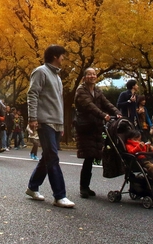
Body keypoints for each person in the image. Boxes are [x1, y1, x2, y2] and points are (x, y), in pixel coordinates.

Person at [25, 45, 74, 208]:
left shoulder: (58, 77)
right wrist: (32, 118)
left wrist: (61, 125)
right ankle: (60, 195)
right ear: (55, 56)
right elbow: (32, 94)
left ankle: (32, 187)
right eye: (62, 56)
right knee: (52, 156)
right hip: (44, 121)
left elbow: (58, 102)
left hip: (55, 123)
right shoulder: (41, 72)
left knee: (48, 156)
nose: (63, 59)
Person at [74, 67, 120, 198]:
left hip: (96, 127)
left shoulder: (98, 91)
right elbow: (89, 106)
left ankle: (86, 186)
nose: (92, 76)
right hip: (85, 127)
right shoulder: (81, 91)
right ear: (84, 77)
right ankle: (83, 187)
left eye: (94, 74)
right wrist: (103, 115)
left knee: (94, 155)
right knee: (88, 156)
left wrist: (117, 113)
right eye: (89, 74)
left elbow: (106, 103)